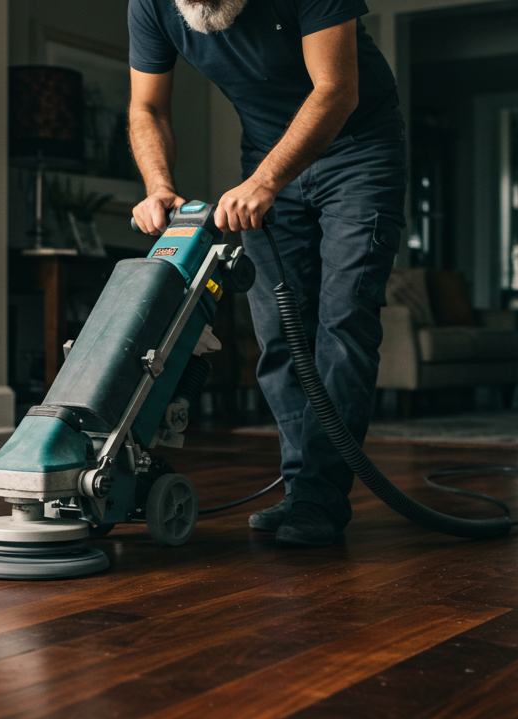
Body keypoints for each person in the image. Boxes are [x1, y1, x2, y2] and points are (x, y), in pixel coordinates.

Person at [128, 0, 405, 547]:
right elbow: (148, 109)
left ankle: (320, 501)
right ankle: (305, 488)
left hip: (358, 149)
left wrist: (266, 182)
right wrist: (158, 185)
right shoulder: (151, 5)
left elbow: (336, 91)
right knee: (280, 334)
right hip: (264, 156)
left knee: (344, 321)